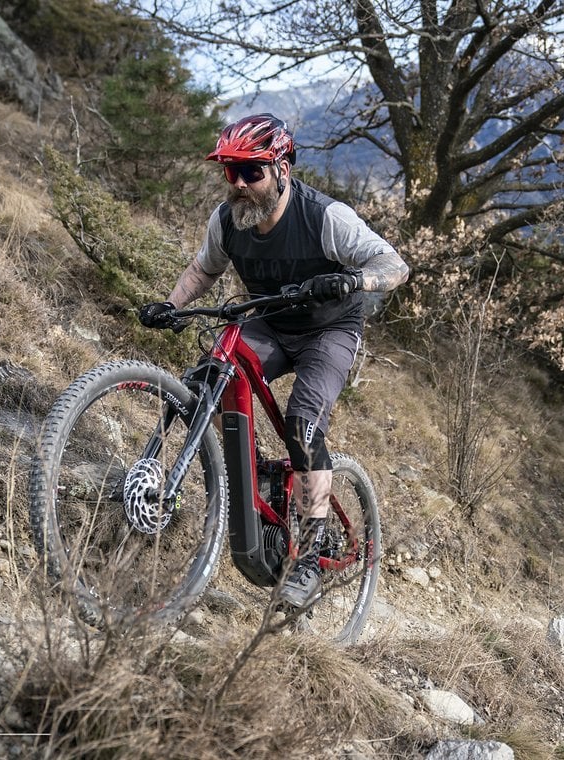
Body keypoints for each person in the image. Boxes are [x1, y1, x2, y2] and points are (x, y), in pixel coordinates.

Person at [139, 113, 409, 609]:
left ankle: (308, 551)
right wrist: (171, 306)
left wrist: (352, 280)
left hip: (328, 330)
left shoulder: (326, 218)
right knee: (212, 379)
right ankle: (255, 474)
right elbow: (204, 268)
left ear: (283, 168)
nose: (239, 184)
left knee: (303, 425)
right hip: (270, 323)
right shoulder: (227, 222)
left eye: (252, 171)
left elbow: (394, 265)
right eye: (230, 172)